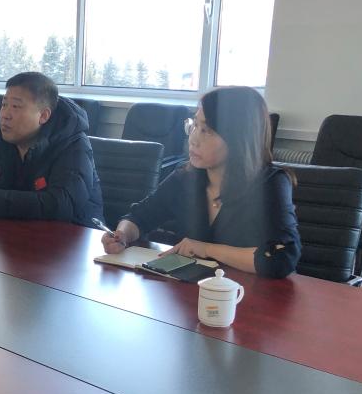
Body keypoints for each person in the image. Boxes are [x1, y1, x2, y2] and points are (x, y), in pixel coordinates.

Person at [101, 86, 301, 277]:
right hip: (193, 289)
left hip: (248, 294)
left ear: (238, 138)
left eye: (207, 130)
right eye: (195, 125)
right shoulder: (186, 177)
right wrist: (122, 235)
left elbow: (281, 257)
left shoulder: (271, 184)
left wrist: (206, 249)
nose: (194, 139)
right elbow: (139, 216)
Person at [0, 72, 103, 223]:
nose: (5, 115)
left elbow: (61, 204)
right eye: (4, 105)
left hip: (75, 236)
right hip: (13, 234)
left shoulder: (73, 145)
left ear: (43, 116)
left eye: (16, 107)